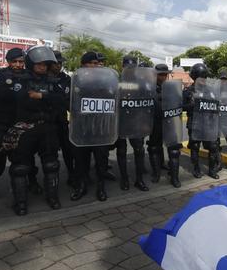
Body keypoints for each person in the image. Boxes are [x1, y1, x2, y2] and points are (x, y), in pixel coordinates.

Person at [8, 46, 66, 215]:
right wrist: (47, 100)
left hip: (47, 127)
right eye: (39, 64)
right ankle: (20, 203)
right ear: (31, 63)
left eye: (46, 65)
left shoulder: (53, 82)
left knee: (51, 165)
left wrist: (41, 96)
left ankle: (52, 198)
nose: (43, 67)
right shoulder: (21, 80)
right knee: (20, 168)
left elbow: (62, 101)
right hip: (26, 128)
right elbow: (23, 101)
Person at [0, 47, 35, 203]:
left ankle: (31, 181)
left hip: (24, 123)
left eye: (21, 61)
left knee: (26, 156)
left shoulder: (31, 76)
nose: (19, 65)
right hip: (2, 123)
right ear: (8, 61)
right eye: (15, 62)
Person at [70, 52, 112, 201]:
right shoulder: (75, 81)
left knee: (101, 160)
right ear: (83, 64)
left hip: (100, 128)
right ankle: (81, 186)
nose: (96, 66)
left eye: (98, 63)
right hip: (82, 128)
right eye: (92, 63)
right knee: (81, 160)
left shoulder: (107, 82)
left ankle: (101, 188)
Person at [113, 57, 152, 192]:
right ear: (122, 66)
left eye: (132, 67)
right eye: (127, 67)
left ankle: (139, 179)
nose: (129, 70)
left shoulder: (142, 83)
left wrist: (145, 122)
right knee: (122, 150)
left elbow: (147, 103)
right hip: (121, 122)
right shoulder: (116, 82)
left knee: (139, 150)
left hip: (136, 122)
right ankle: (124, 179)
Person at [148, 63, 183, 187]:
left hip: (171, 121)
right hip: (156, 122)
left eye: (165, 74)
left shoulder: (173, 87)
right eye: (160, 74)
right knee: (154, 148)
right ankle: (156, 174)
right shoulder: (149, 88)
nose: (163, 77)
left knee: (174, 150)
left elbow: (180, 103)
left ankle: (174, 177)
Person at [183, 63, 220, 179]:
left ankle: (212, 170)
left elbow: (217, 105)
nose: (204, 79)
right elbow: (182, 106)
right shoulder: (188, 91)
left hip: (209, 124)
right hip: (194, 124)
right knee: (195, 148)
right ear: (194, 77)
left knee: (213, 147)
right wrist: (191, 105)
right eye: (201, 77)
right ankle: (196, 169)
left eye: (205, 77)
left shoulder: (211, 91)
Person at [50, 50, 76, 187]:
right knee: (50, 155)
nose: (58, 65)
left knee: (68, 150)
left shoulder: (66, 79)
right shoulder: (42, 78)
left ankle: (72, 174)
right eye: (56, 63)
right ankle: (51, 182)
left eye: (60, 63)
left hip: (63, 121)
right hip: (48, 122)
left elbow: (71, 100)